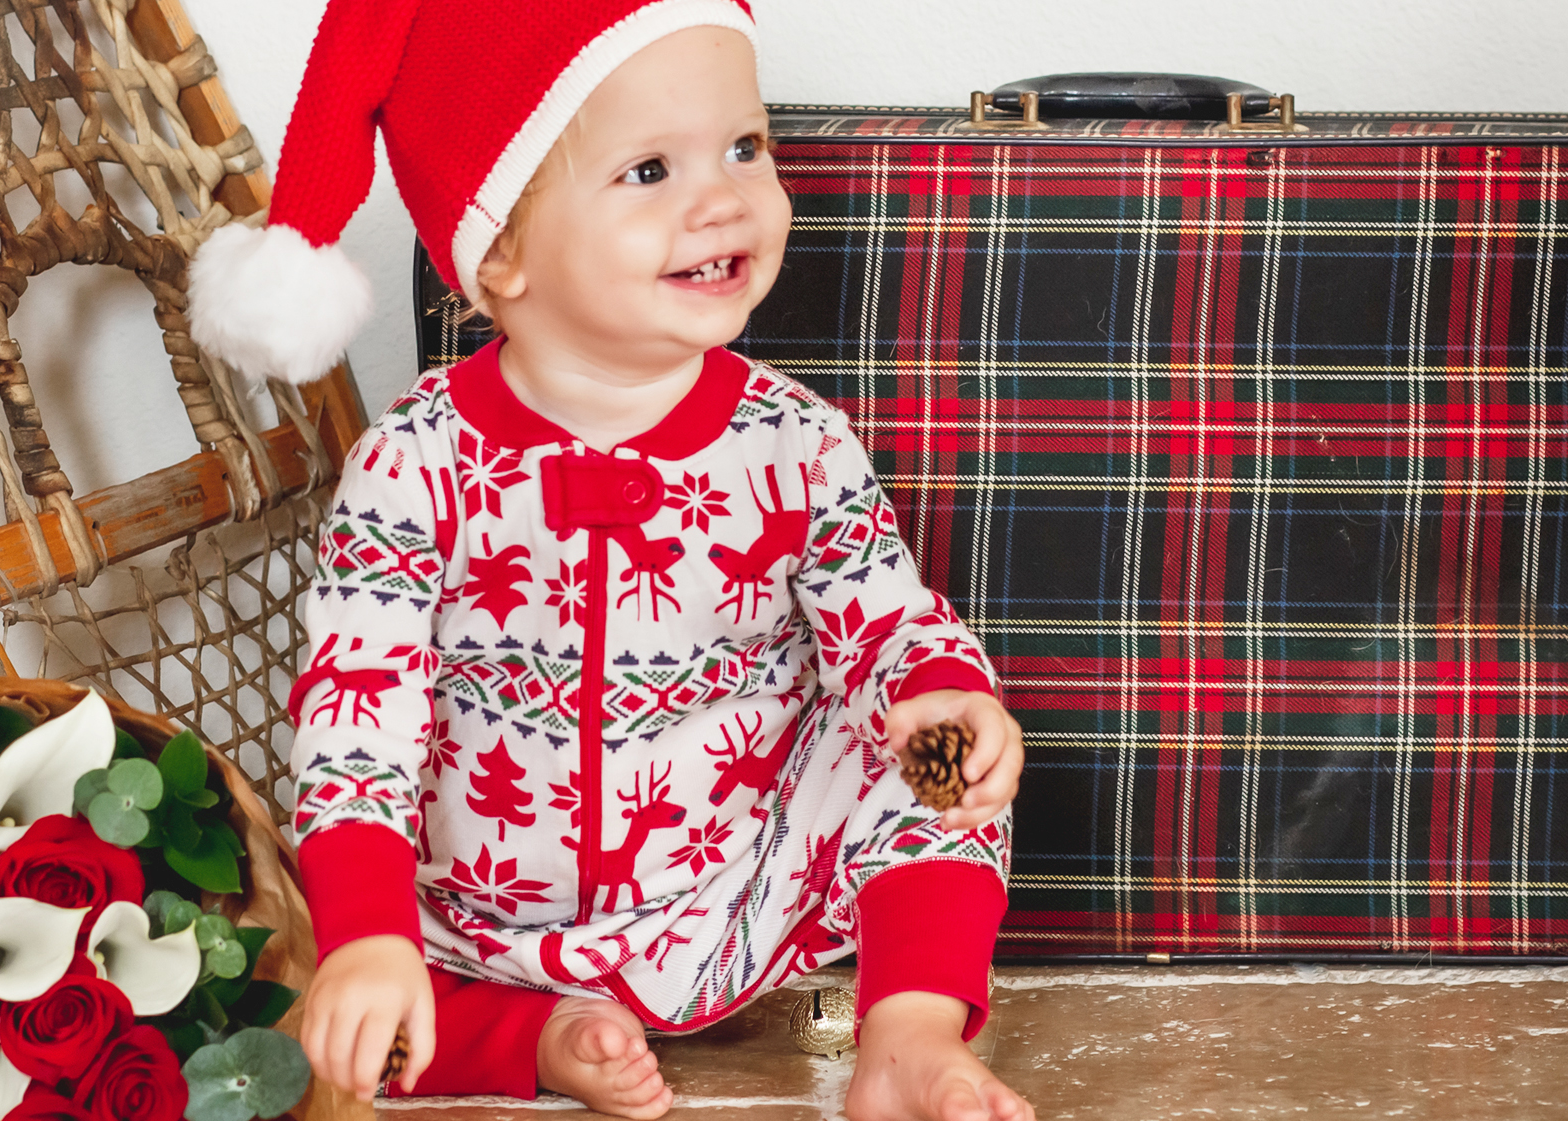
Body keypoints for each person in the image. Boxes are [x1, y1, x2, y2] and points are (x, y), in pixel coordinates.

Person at [187, 3, 1029, 1119]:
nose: (724, 197)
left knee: (934, 766)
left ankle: (905, 1034)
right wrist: (370, 933)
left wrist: (937, 699)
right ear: (500, 252)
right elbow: (355, 708)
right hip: (472, 916)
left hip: (740, 879)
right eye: (648, 169)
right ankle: (526, 1035)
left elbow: (881, 617)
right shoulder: (411, 460)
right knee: (332, 985)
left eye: (744, 147)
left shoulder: (794, 439)